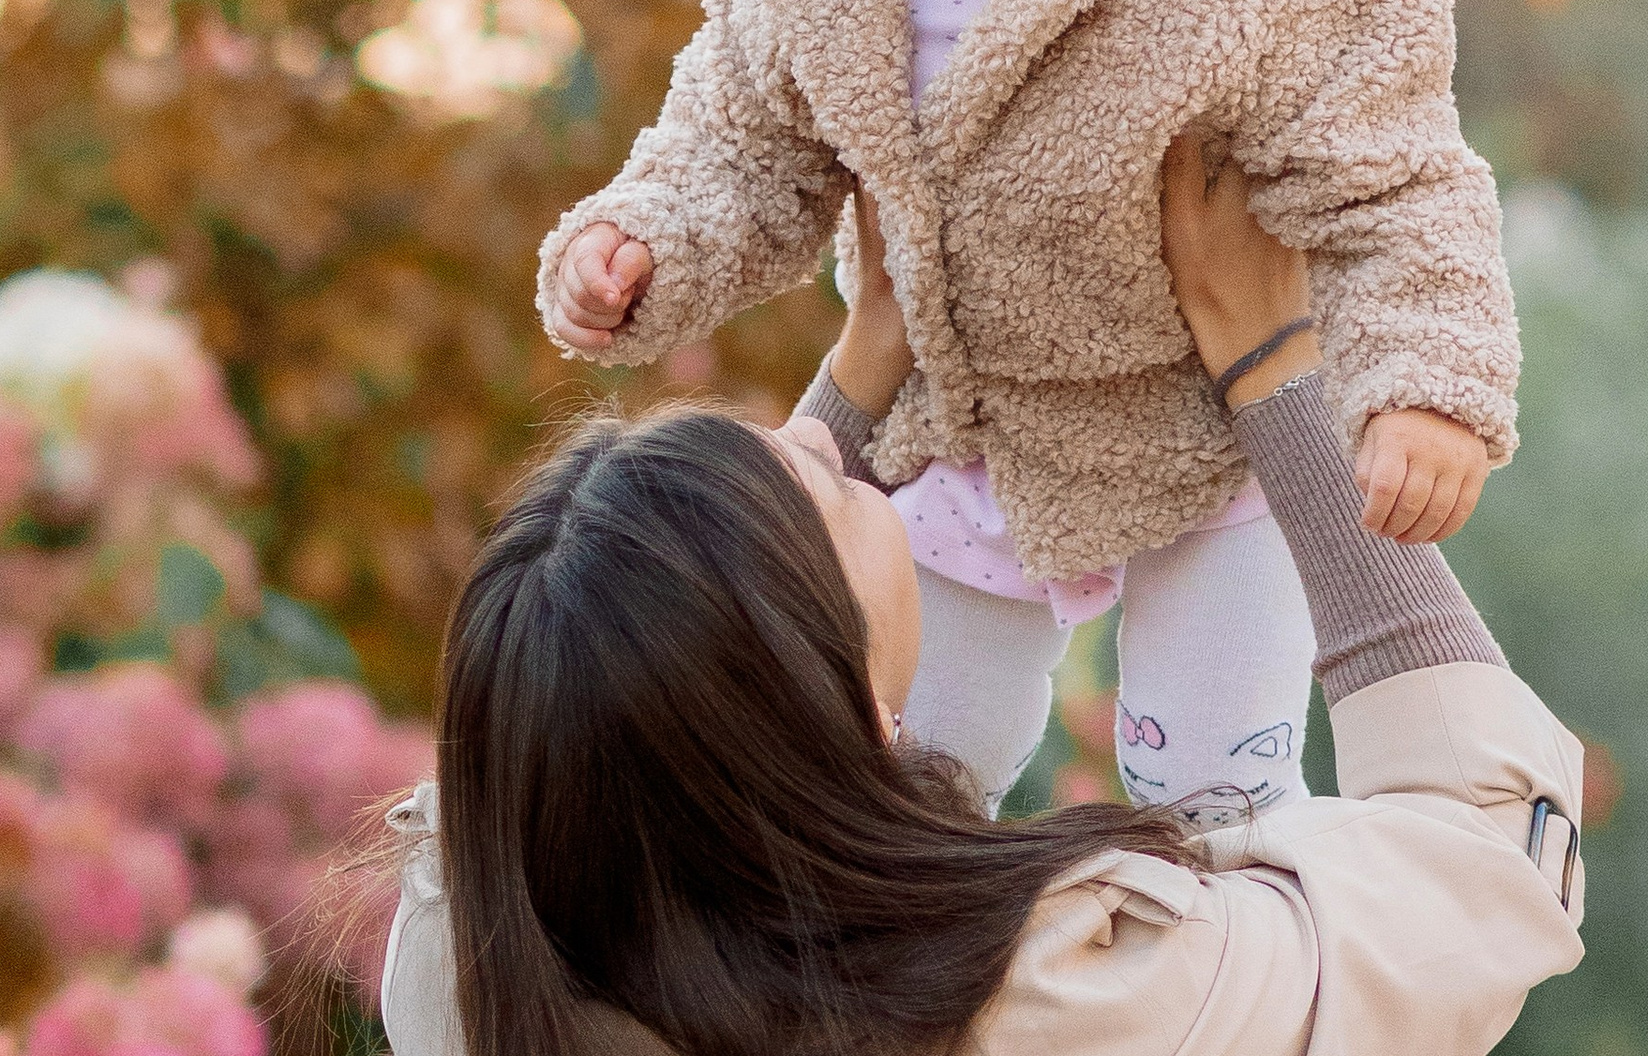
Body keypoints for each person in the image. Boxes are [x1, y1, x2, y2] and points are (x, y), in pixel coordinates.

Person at [538, 0, 1518, 813]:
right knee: (898, 786)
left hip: (1203, 445)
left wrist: (1426, 388)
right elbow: (735, 147)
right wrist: (642, 243)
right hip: (955, 433)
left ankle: (1211, 888)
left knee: (1217, 807)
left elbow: (1395, 187)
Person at [380, 139, 1582, 1056]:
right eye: (829, 485)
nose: (829, 441)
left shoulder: (466, 977)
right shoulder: (1059, 999)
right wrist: (1276, 372)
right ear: (856, 712)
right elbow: (1480, 887)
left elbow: (602, 736)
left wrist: (866, 361)